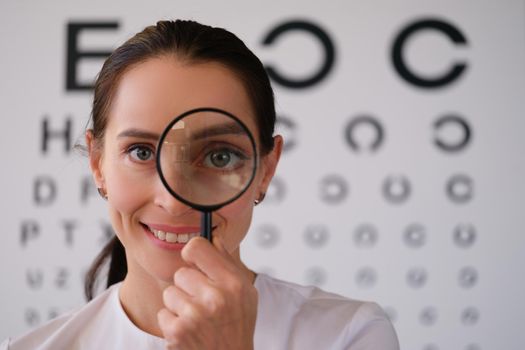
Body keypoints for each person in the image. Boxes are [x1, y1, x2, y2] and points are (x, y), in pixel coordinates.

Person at [1, 20, 399, 349]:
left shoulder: (350, 335)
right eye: (141, 152)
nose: (174, 202)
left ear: (266, 169)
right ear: (97, 163)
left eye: (219, 156)